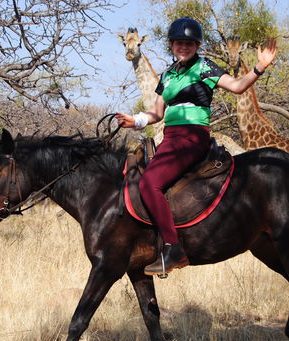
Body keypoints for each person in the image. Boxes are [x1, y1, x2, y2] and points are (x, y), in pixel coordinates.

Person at [115, 17, 277, 277]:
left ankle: (173, 248)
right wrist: (135, 120)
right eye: (179, 42)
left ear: (197, 45)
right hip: (170, 139)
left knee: (149, 184)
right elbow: (157, 113)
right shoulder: (167, 75)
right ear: (172, 45)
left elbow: (237, 86)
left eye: (189, 43)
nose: (184, 47)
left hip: (192, 138)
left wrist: (259, 67)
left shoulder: (204, 67)